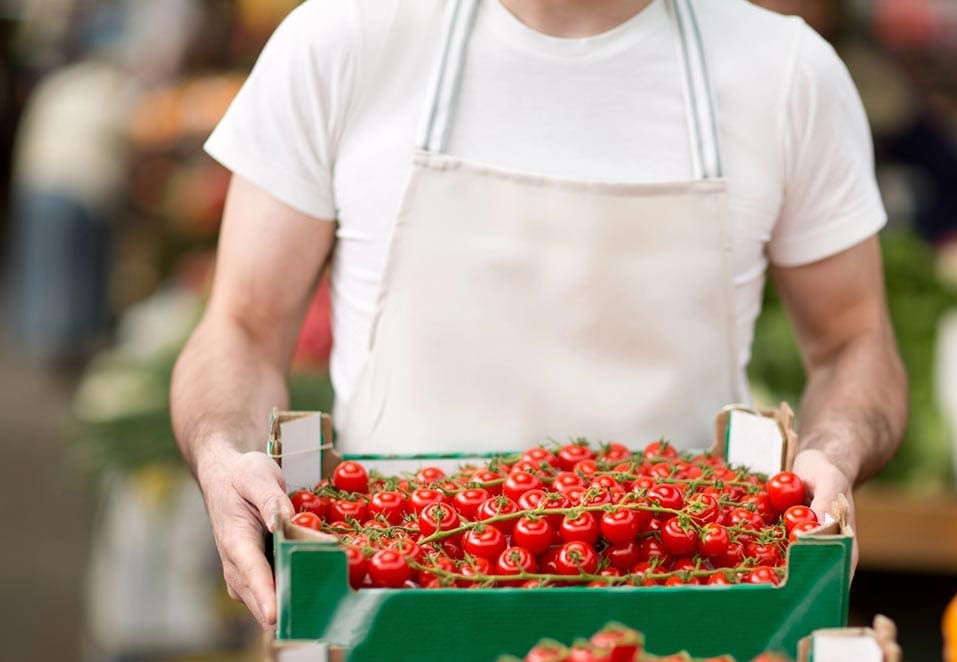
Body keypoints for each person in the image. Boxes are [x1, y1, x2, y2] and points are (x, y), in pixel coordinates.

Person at [170, 0, 908, 628]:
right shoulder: (343, 41)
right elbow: (242, 325)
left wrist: (834, 449)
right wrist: (224, 454)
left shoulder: (784, 75)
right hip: (389, 602)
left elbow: (855, 341)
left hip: (687, 601)